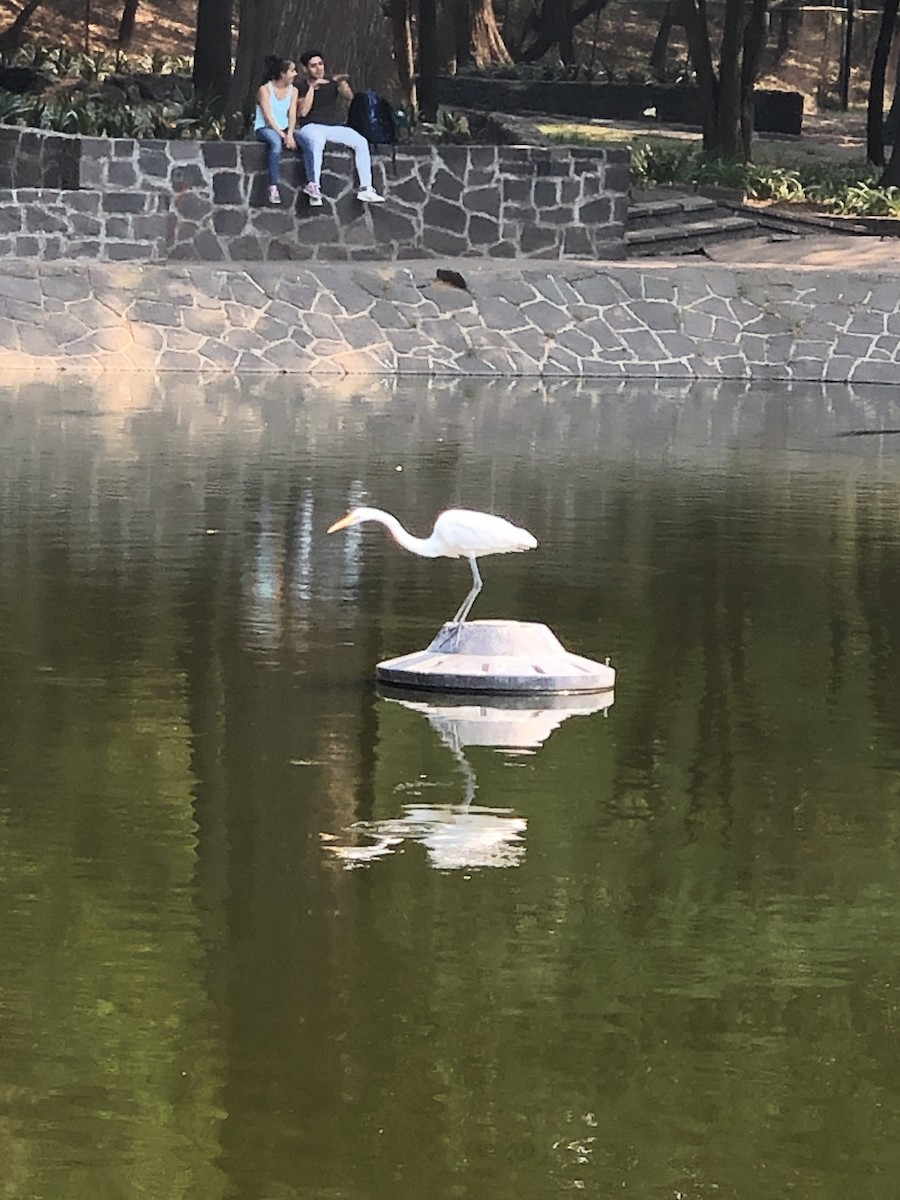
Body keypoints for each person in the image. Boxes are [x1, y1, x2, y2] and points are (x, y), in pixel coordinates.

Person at [296, 50, 385, 206]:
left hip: (332, 126)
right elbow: (302, 112)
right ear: (305, 69)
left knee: (360, 141)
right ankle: (314, 187)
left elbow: (350, 97)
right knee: (316, 143)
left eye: (320, 64)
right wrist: (312, 88)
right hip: (310, 126)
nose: (318, 69)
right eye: (313, 66)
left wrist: (342, 84)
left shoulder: (331, 81)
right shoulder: (300, 85)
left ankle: (366, 188)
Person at [253, 56, 300, 206]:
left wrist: (290, 133)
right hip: (266, 128)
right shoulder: (265, 90)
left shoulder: (294, 91)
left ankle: (312, 183)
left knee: (306, 142)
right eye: (292, 71)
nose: (295, 74)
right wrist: (283, 135)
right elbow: (268, 117)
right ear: (282, 74)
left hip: (286, 128)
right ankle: (273, 186)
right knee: (276, 144)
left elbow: (292, 114)